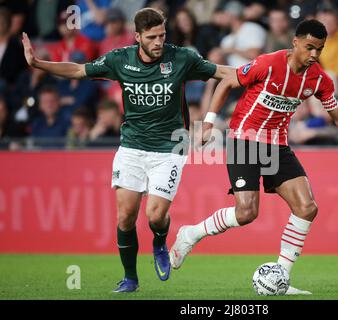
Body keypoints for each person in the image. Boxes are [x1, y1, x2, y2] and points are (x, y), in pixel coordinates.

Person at [22, 7, 233, 292]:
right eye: (152, 36)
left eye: (162, 35)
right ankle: (130, 278)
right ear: (137, 37)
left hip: (169, 147)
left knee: (155, 216)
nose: (159, 41)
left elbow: (223, 72)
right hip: (132, 147)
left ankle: (160, 242)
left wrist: (264, 71)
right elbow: (78, 70)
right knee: (125, 217)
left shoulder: (181, 57)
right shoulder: (120, 60)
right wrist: (38, 63)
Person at [170, 19, 338, 295]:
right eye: (309, 47)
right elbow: (227, 82)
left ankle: (280, 277)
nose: (314, 55)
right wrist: (208, 123)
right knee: (246, 213)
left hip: (276, 146)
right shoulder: (268, 63)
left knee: (307, 207)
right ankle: (190, 234)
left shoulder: (319, 78)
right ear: (295, 43)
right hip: (244, 139)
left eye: (320, 49)